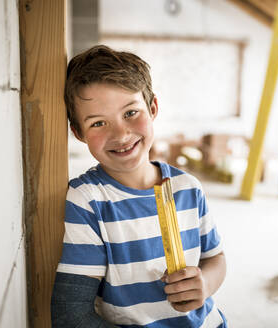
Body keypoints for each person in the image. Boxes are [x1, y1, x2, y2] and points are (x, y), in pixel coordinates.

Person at [51, 45, 227, 328]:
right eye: (98, 123)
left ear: (153, 108)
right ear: (78, 133)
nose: (120, 134)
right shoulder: (87, 200)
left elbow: (215, 258)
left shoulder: (188, 187)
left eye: (130, 113)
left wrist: (204, 284)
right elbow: (71, 315)